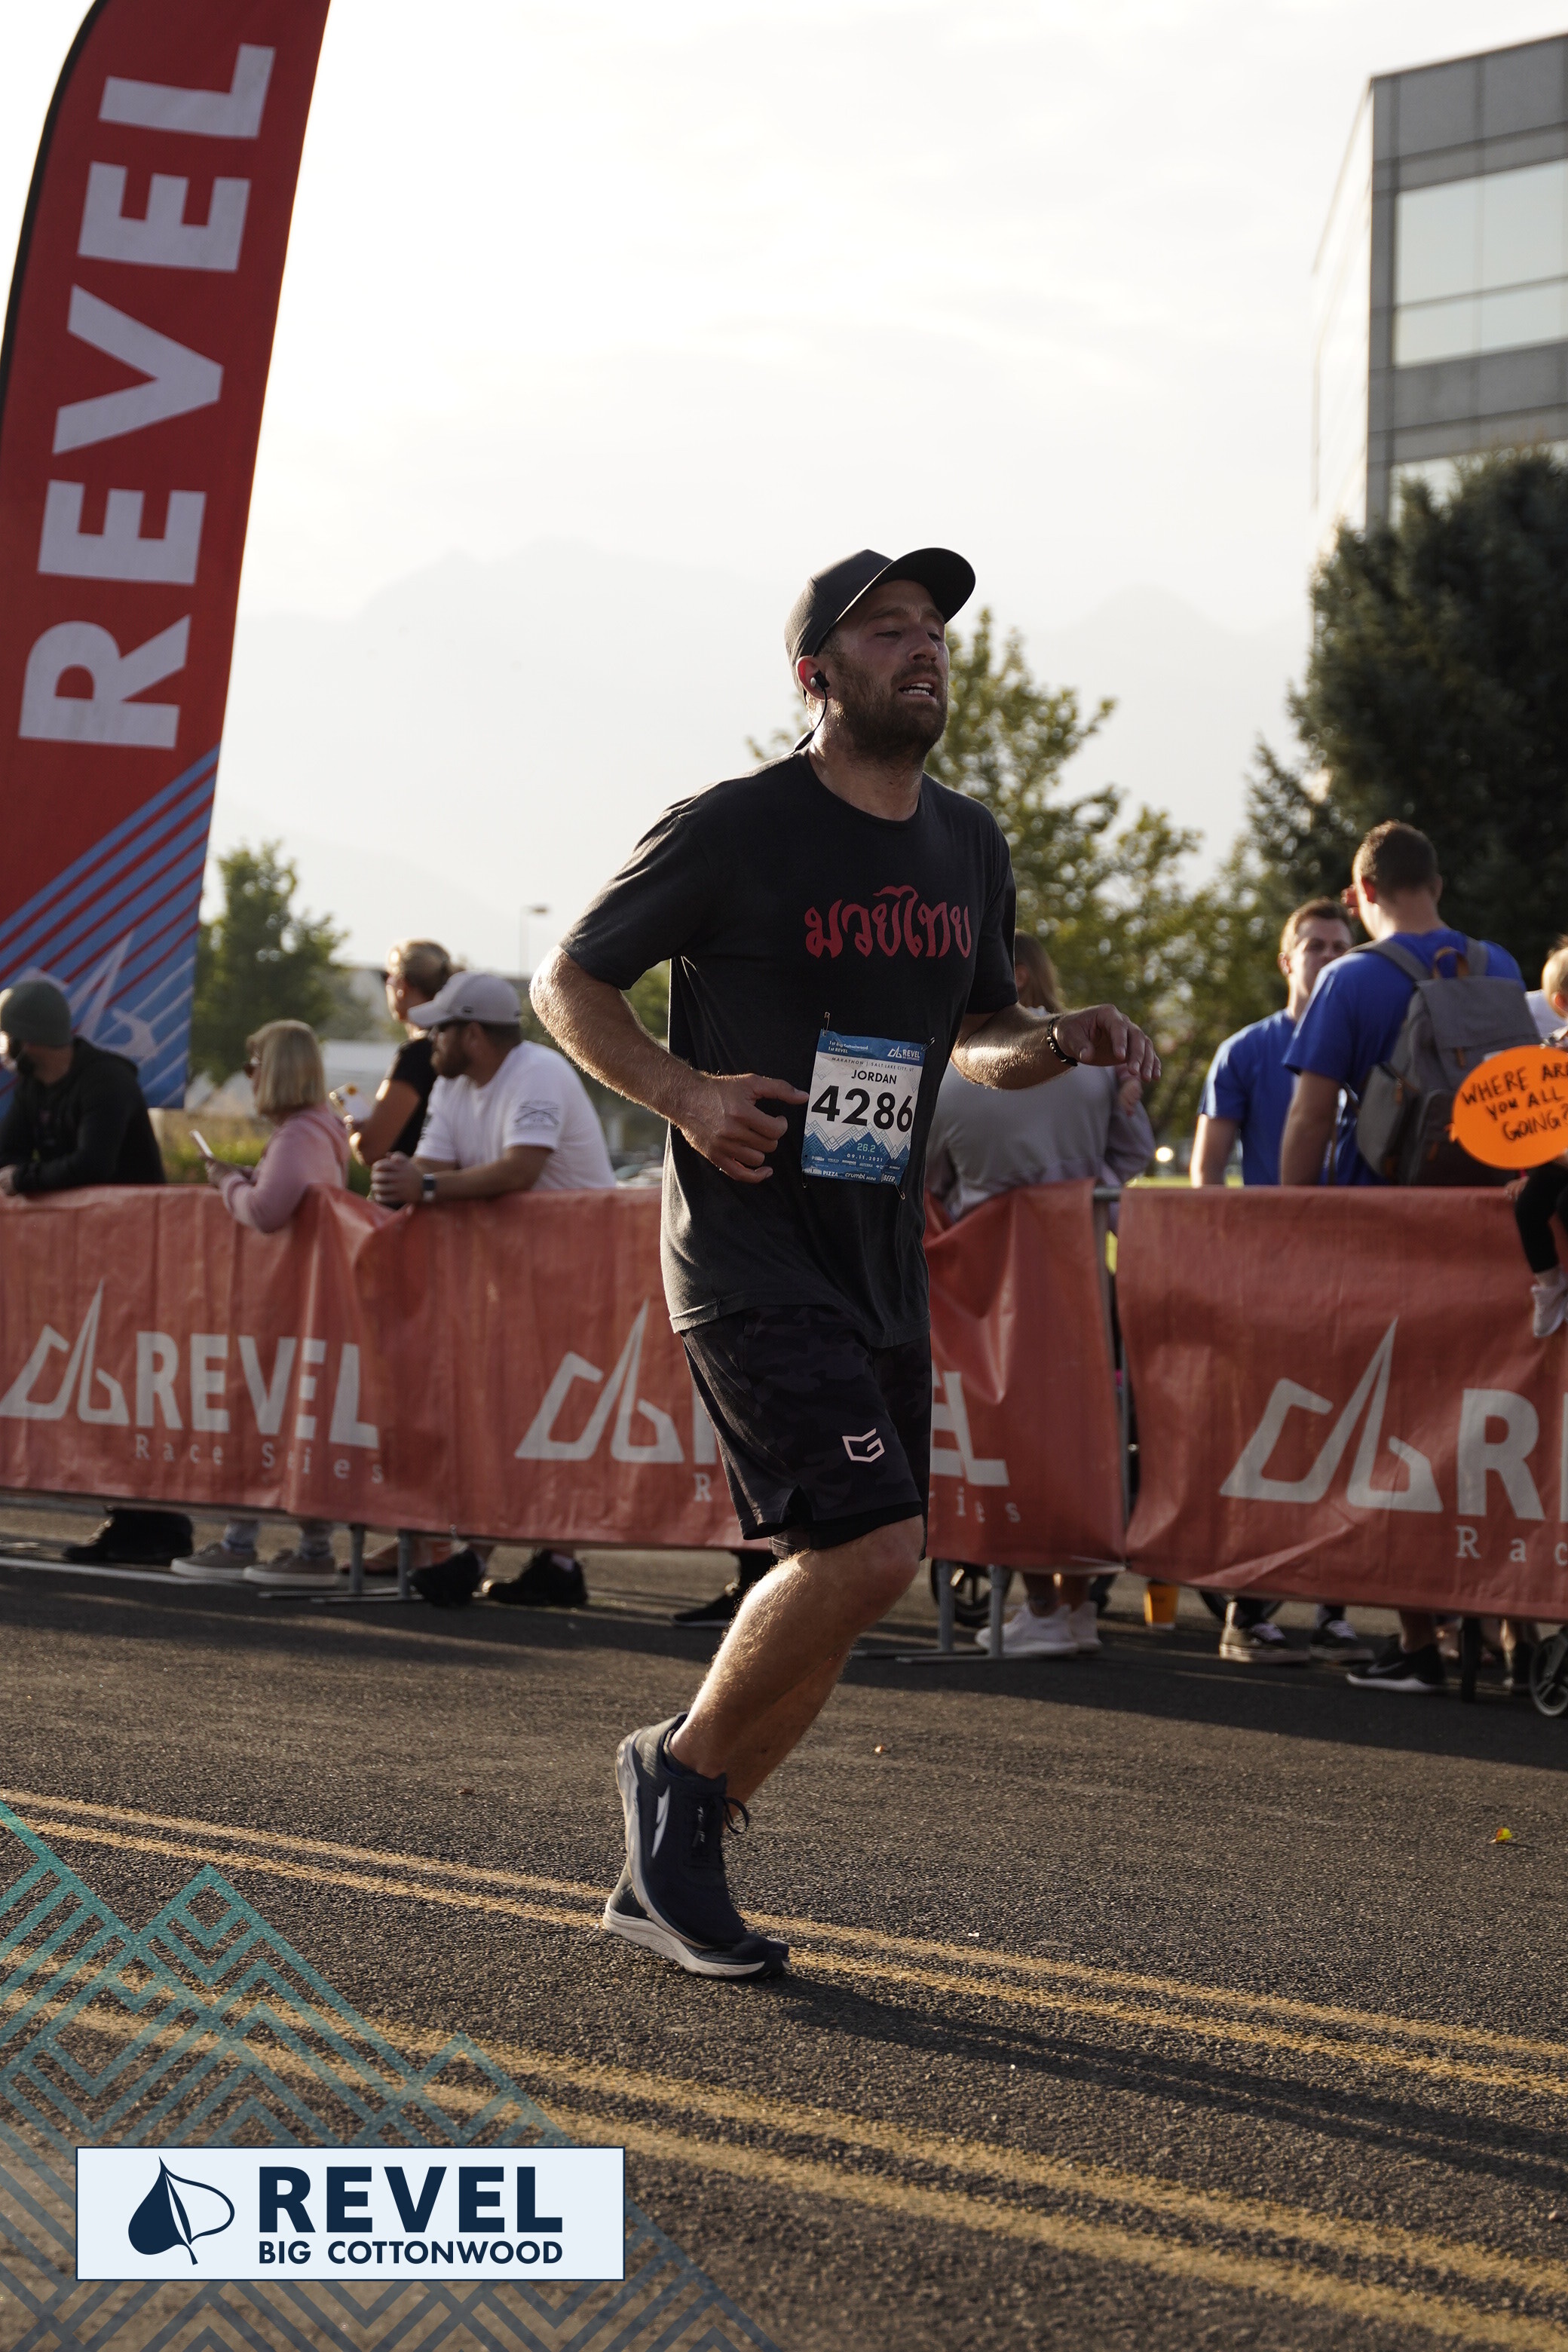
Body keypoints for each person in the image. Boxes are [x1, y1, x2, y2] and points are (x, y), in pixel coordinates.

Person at [531, 544, 1158, 1977]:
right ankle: (676, 1779)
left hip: (879, 1254)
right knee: (868, 1546)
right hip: (746, 1249)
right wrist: (687, 1095)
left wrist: (1059, 1041)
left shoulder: (968, 843)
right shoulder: (736, 827)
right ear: (816, 674)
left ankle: (677, 1842)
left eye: (934, 627)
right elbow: (572, 979)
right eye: (887, 630)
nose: (923, 646)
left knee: (864, 1569)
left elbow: (980, 1036)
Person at [1279, 821, 1524, 1695]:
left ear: (1360, 896)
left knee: (1396, 1436)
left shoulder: (1349, 979)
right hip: (1486, 1232)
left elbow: (1310, 1113)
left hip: (1380, 1230)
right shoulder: (1498, 966)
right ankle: (1508, 1632)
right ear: (1439, 884)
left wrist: (1292, 1221)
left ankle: (1419, 1643)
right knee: (1486, 1430)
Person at [926, 933, 1153, 1659]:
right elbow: (1131, 1157)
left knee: (1013, 1439)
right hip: (1082, 1272)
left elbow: (928, 1183)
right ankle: (1076, 1606)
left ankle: (1042, 1604)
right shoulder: (1096, 1063)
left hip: (993, 1285)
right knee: (1086, 1437)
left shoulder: (953, 1075)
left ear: (1010, 976)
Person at [370, 971, 615, 1609]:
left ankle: (528, 1558)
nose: (429, 1042)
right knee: (516, 1414)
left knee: (549, 1417)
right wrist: (401, 1175)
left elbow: (519, 1169)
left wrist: (422, 1188)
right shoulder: (453, 1083)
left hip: (579, 1276)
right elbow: (431, 1164)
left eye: (440, 1031)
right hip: (515, 1279)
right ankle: (538, 1560)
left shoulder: (539, 1072)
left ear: (473, 1035)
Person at [1192, 898, 1370, 1668]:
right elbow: (1206, 1172)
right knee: (1268, 1442)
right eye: (1315, 946)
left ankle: (1334, 1610)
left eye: (1340, 946)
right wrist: (1224, 1267)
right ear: (1287, 959)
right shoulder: (1244, 1050)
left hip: (1354, 1273)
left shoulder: (1369, 1047)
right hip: (1267, 1278)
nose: (1328, 957)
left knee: (1351, 1439)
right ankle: (1247, 1608)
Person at [0, 978, 191, 1567]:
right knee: (97, 1391)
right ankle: (128, 1517)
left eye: (8, 1037)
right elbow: (7, 1152)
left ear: (28, 1039)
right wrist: (22, 1174)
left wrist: (24, 1180)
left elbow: (94, 1164)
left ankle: (158, 1523)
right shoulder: (34, 1086)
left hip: (135, 1258)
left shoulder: (106, 1080)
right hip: (81, 1264)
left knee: (127, 1390)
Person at [174, 1022, 351, 1593]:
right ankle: (284, 1542)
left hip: (285, 1303)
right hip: (302, 1300)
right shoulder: (319, 1129)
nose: (249, 1077)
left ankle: (255, 1542)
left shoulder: (299, 1134)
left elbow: (267, 1212)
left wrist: (226, 1183)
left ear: (273, 1072)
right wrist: (247, 1178)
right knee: (287, 1418)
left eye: (253, 1066)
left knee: (260, 1414)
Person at [348, 939, 454, 1168]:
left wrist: (358, 1135)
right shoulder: (456, 1044)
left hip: (413, 1185)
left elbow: (371, 1150)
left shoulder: (417, 1054)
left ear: (402, 986)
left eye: (387, 976)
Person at [1508, 937, 1568, 1337]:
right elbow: (1534, 1119)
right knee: (1529, 1206)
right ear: (1563, 1003)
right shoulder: (1550, 1053)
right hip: (1559, 1158)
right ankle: (1550, 1283)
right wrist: (1526, 1173)